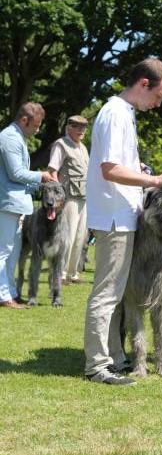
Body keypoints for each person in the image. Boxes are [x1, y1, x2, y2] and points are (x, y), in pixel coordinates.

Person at [84, 57, 162, 386]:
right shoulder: (114, 113)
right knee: (107, 293)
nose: (158, 104)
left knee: (114, 295)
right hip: (113, 218)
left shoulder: (124, 114)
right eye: (159, 95)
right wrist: (155, 182)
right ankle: (97, 366)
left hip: (123, 216)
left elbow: (120, 165)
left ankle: (115, 358)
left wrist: (140, 174)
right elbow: (109, 169)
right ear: (143, 83)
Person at [0, 102, 54, 309]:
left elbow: (18, 177)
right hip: (7, 204)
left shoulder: (17, 137)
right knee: (3, 250)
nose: (38, 129)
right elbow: (15, 173)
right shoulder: (9, 137)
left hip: (15, 204)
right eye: (36, 125)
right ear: (24, 120)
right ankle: (4, 296)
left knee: (12, 251)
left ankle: (11, 293)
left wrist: (39, 182)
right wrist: (41, 176)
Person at [48, 115, 89, 284]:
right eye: (77, 126)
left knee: (80, 237)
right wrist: (58, 197)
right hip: (68, 198)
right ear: (68, 127)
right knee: (67, 237)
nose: (81, 130)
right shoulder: (61, 144)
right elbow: (52, 172)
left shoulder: (83, 147)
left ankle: (72, 273)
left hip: (83, 198)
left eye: (84, 127)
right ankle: (60, 274)